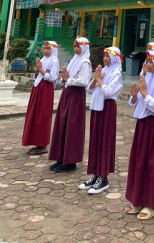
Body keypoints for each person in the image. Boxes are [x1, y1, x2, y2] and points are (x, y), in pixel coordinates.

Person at [125, 50, 154, 220]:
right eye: (147, 61)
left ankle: (152, 204)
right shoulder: (147, 78)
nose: (147, 64)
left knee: (152, 165)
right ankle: (137, 199)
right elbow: (138, 104)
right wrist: (135, 96)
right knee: (139, 162)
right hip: (142, 124)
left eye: (151, 62)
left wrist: (143, 93)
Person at [79, 47, 123, 194]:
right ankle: (95, 174)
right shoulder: (103, 70)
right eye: (104, 55)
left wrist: (99, 80)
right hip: (97, 109)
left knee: (104, 141)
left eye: (108, 56)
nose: (105, 58)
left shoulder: (116, 73)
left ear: (115, 58)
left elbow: (109, 91)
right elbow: (89, 89)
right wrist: (96, 79)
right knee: (95, 140)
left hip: (107, 108)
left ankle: (103, 178)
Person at [49, 37, 92, 173]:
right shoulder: (74, 60)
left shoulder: (85, 62)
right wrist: (64, 78)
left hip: (76, 96)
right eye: (75, 46)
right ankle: (61, 157)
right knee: (63, 124)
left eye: (79, 47)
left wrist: (69, 79)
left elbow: (84, 81)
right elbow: (67, 79)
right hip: (67, 94)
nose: (76, 49)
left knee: (72, 126)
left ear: (84, 48)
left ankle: (70, 160)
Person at [22, 41, 59, 156]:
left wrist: (40, 69)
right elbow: (38, 75)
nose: (45, 50)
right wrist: (37, 69)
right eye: (44, 48)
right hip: (38, 88)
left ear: (53, 50)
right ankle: (36, 142)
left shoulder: (54, 61)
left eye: (48, 49)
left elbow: (52, 77)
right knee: (35, 115)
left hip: (45, 90)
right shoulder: (43, 59)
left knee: (42, 116)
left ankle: (43, 145)